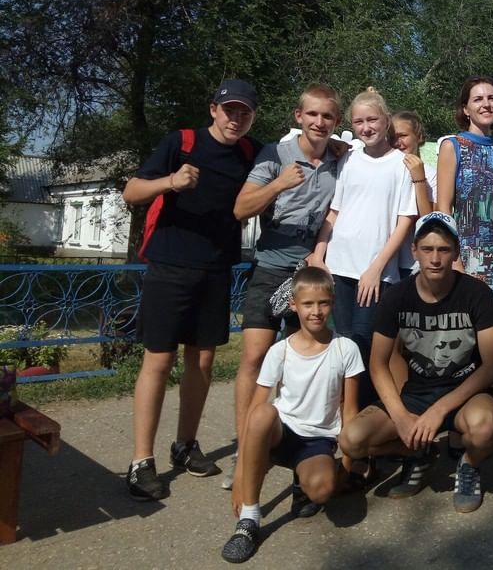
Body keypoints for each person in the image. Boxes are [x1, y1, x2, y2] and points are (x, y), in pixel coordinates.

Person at [123, 79, 261, 501]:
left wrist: (333, 148)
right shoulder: (180, 143)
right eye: (229, 110)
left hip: (216, 268)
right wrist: (170, 181)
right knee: (159, 361)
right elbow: (131, 192)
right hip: (170, 265)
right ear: (213, 110)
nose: (236, 118)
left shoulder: (250, 152)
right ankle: (141, 462)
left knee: (202, 362)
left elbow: (292, 156)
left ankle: (185, 445)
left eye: (244, 112)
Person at [339, 212, 493, 513]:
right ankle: (418, 453)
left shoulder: (476, 293)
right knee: (351, 441)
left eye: (443, 250)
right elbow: (377, 363)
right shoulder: (398, 296)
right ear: (414, 251)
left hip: (465, 394)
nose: (435, 259)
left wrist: (440, 409)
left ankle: (469, 465)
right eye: (427, 250)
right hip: (415, 394)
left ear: (455, 252)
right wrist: (401, 416)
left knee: (484, 428)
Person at [221, 267, 363, 563]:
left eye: (323, 303)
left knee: (324, 490)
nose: (316, 311)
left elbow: (350, 412)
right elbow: (255, 413)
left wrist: (346, 469)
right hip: (281, 432)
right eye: (308, 304)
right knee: (260, 415)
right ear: (294, 306)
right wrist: (241, 475)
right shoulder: (279, 351)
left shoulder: (345, 349)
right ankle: (249, 519)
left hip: (317, 441)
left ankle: (303, 481)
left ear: (333, 303)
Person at [308, 87, 417, 402]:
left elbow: (404, 222)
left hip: (375, 273)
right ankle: (346, 415)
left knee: (367, 344)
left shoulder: (402, 163)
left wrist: (377, 268)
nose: (366, 127)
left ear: (385, 120)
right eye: (359, 122)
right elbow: (335, 210)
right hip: (338, 265)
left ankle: (370, 417)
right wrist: (319, 252)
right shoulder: (349, 159)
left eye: (372, 120)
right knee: (343, 344)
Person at [435, 76, 493, 284]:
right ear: (466, 109)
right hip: (465, 254)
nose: (486, 104)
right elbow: (443, 208)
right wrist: (455, 260)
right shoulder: (453, 146)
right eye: (478, 99)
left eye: (492, 98)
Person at [392, 110, 437, 278]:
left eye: (402, 135)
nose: (397, 142)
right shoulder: (385, 170)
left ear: (418, 136)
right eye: (392, 137)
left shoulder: (431, 174)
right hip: (384, 261)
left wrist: (419, 180)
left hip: (412, 264)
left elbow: (429, 222)